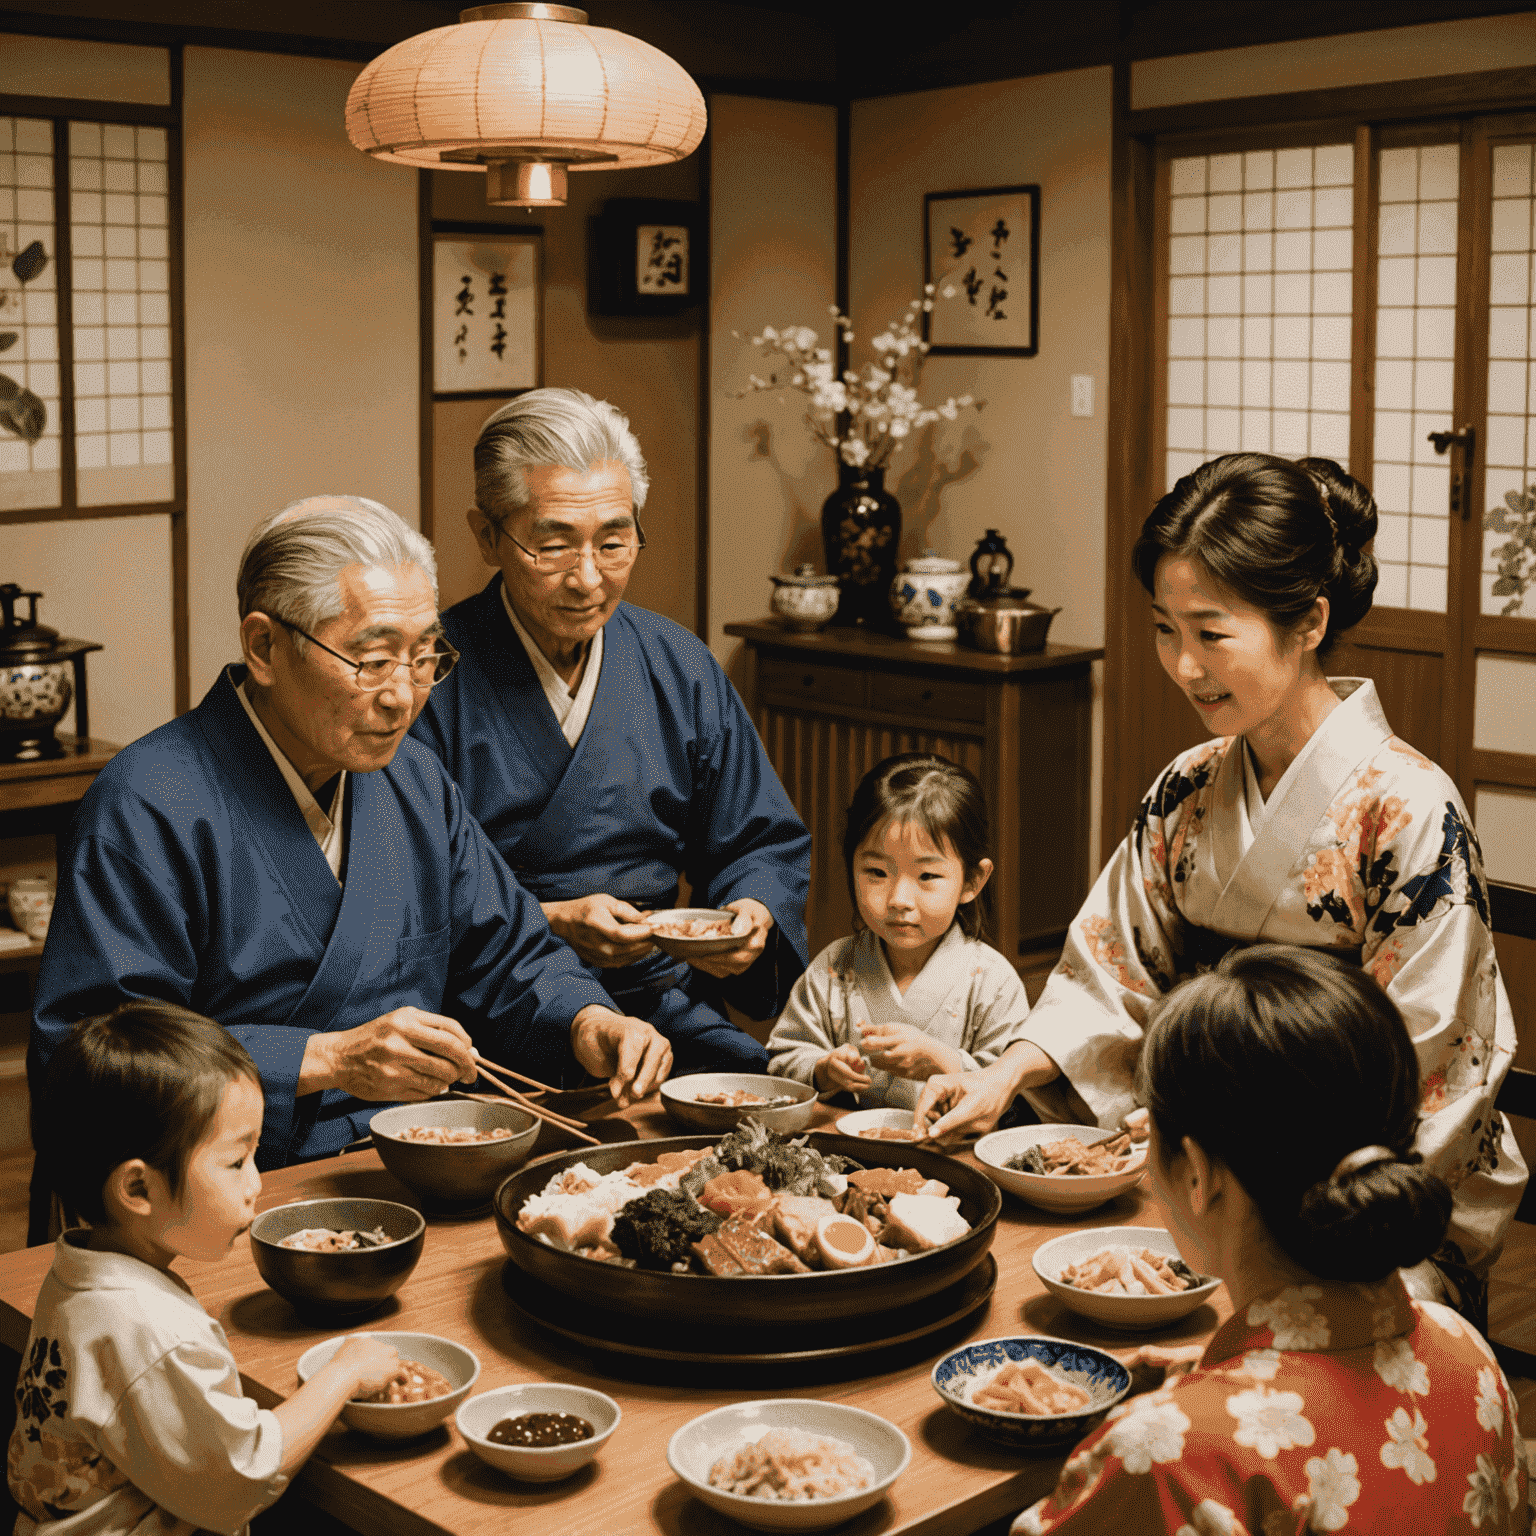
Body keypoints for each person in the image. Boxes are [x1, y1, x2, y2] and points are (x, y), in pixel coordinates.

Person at [915, 453, 1525, 1320]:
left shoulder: (1409, 813)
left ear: (1309, 621)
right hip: (1206, 1181)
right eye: (1165, 629)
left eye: (1211, 632)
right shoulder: (1187, 790)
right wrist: (1005, 1071)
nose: (1184, 665)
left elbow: (1430, 1065)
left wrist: (1259, 1179)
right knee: (1030, 1289)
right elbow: (1109, 970)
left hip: (1358, 1202)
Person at [31, 496, 671, 1192]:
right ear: (263, 647)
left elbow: (507, 953)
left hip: (413, 1165)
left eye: (425, 656)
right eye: (372, 660)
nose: (404, 695)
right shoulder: (149, 802)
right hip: (220, 1191)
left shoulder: (414, 781)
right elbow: (91, 1060)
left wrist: (587, 1019)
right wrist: (324, 1059)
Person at [1010, 946, 1528, 1536]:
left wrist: (1181, 1416)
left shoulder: (1166, 1457)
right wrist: (1229, 1372)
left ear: (1198, 1173)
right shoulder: (1468, 1353)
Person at [411, 388, 811, 1074]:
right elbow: (405, 896)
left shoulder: (676, 665)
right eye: (554, 543)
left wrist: (751, 914)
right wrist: (550, 921)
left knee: (773, 1120)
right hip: (491, 1020)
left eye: (614, 541)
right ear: (487, 536)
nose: (588, 577)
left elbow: (759, 839)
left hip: (660, 1004)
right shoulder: (427, 680)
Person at [11, 1002, 403, 1536]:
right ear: (138, 1189)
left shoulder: (78, 1271)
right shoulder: (148, 1332)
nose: (256, 1183)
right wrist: (346, 1370)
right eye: (236, 1161)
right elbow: (242, 1478)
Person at [765, 754, 1032, 1109]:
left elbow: (1014, 1090)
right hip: (845, 1150)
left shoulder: (993, 982)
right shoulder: (836, 966)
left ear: (972, 880)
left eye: (927, 876)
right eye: (876, 872)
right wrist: (821, 1069)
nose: (899, 899)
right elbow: (782, 1058)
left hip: (949, 1153)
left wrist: (946, 1063)